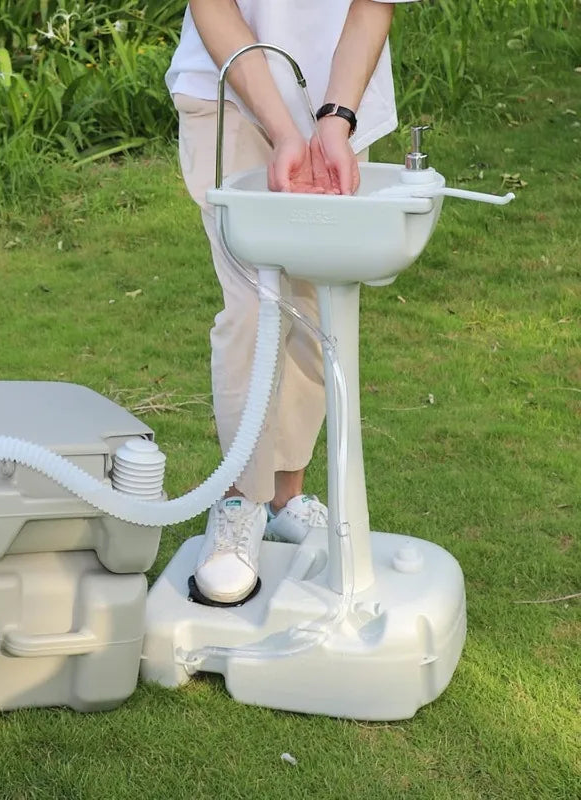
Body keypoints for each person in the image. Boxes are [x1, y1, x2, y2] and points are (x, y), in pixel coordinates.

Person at [166, 0, 420, 604]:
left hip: (338, 103)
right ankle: (239, 503)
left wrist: (334, 123)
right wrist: (283, 130)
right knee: (254, 306)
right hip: (227, 94)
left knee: (313, 306)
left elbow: (371, 9)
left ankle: (285, 497)